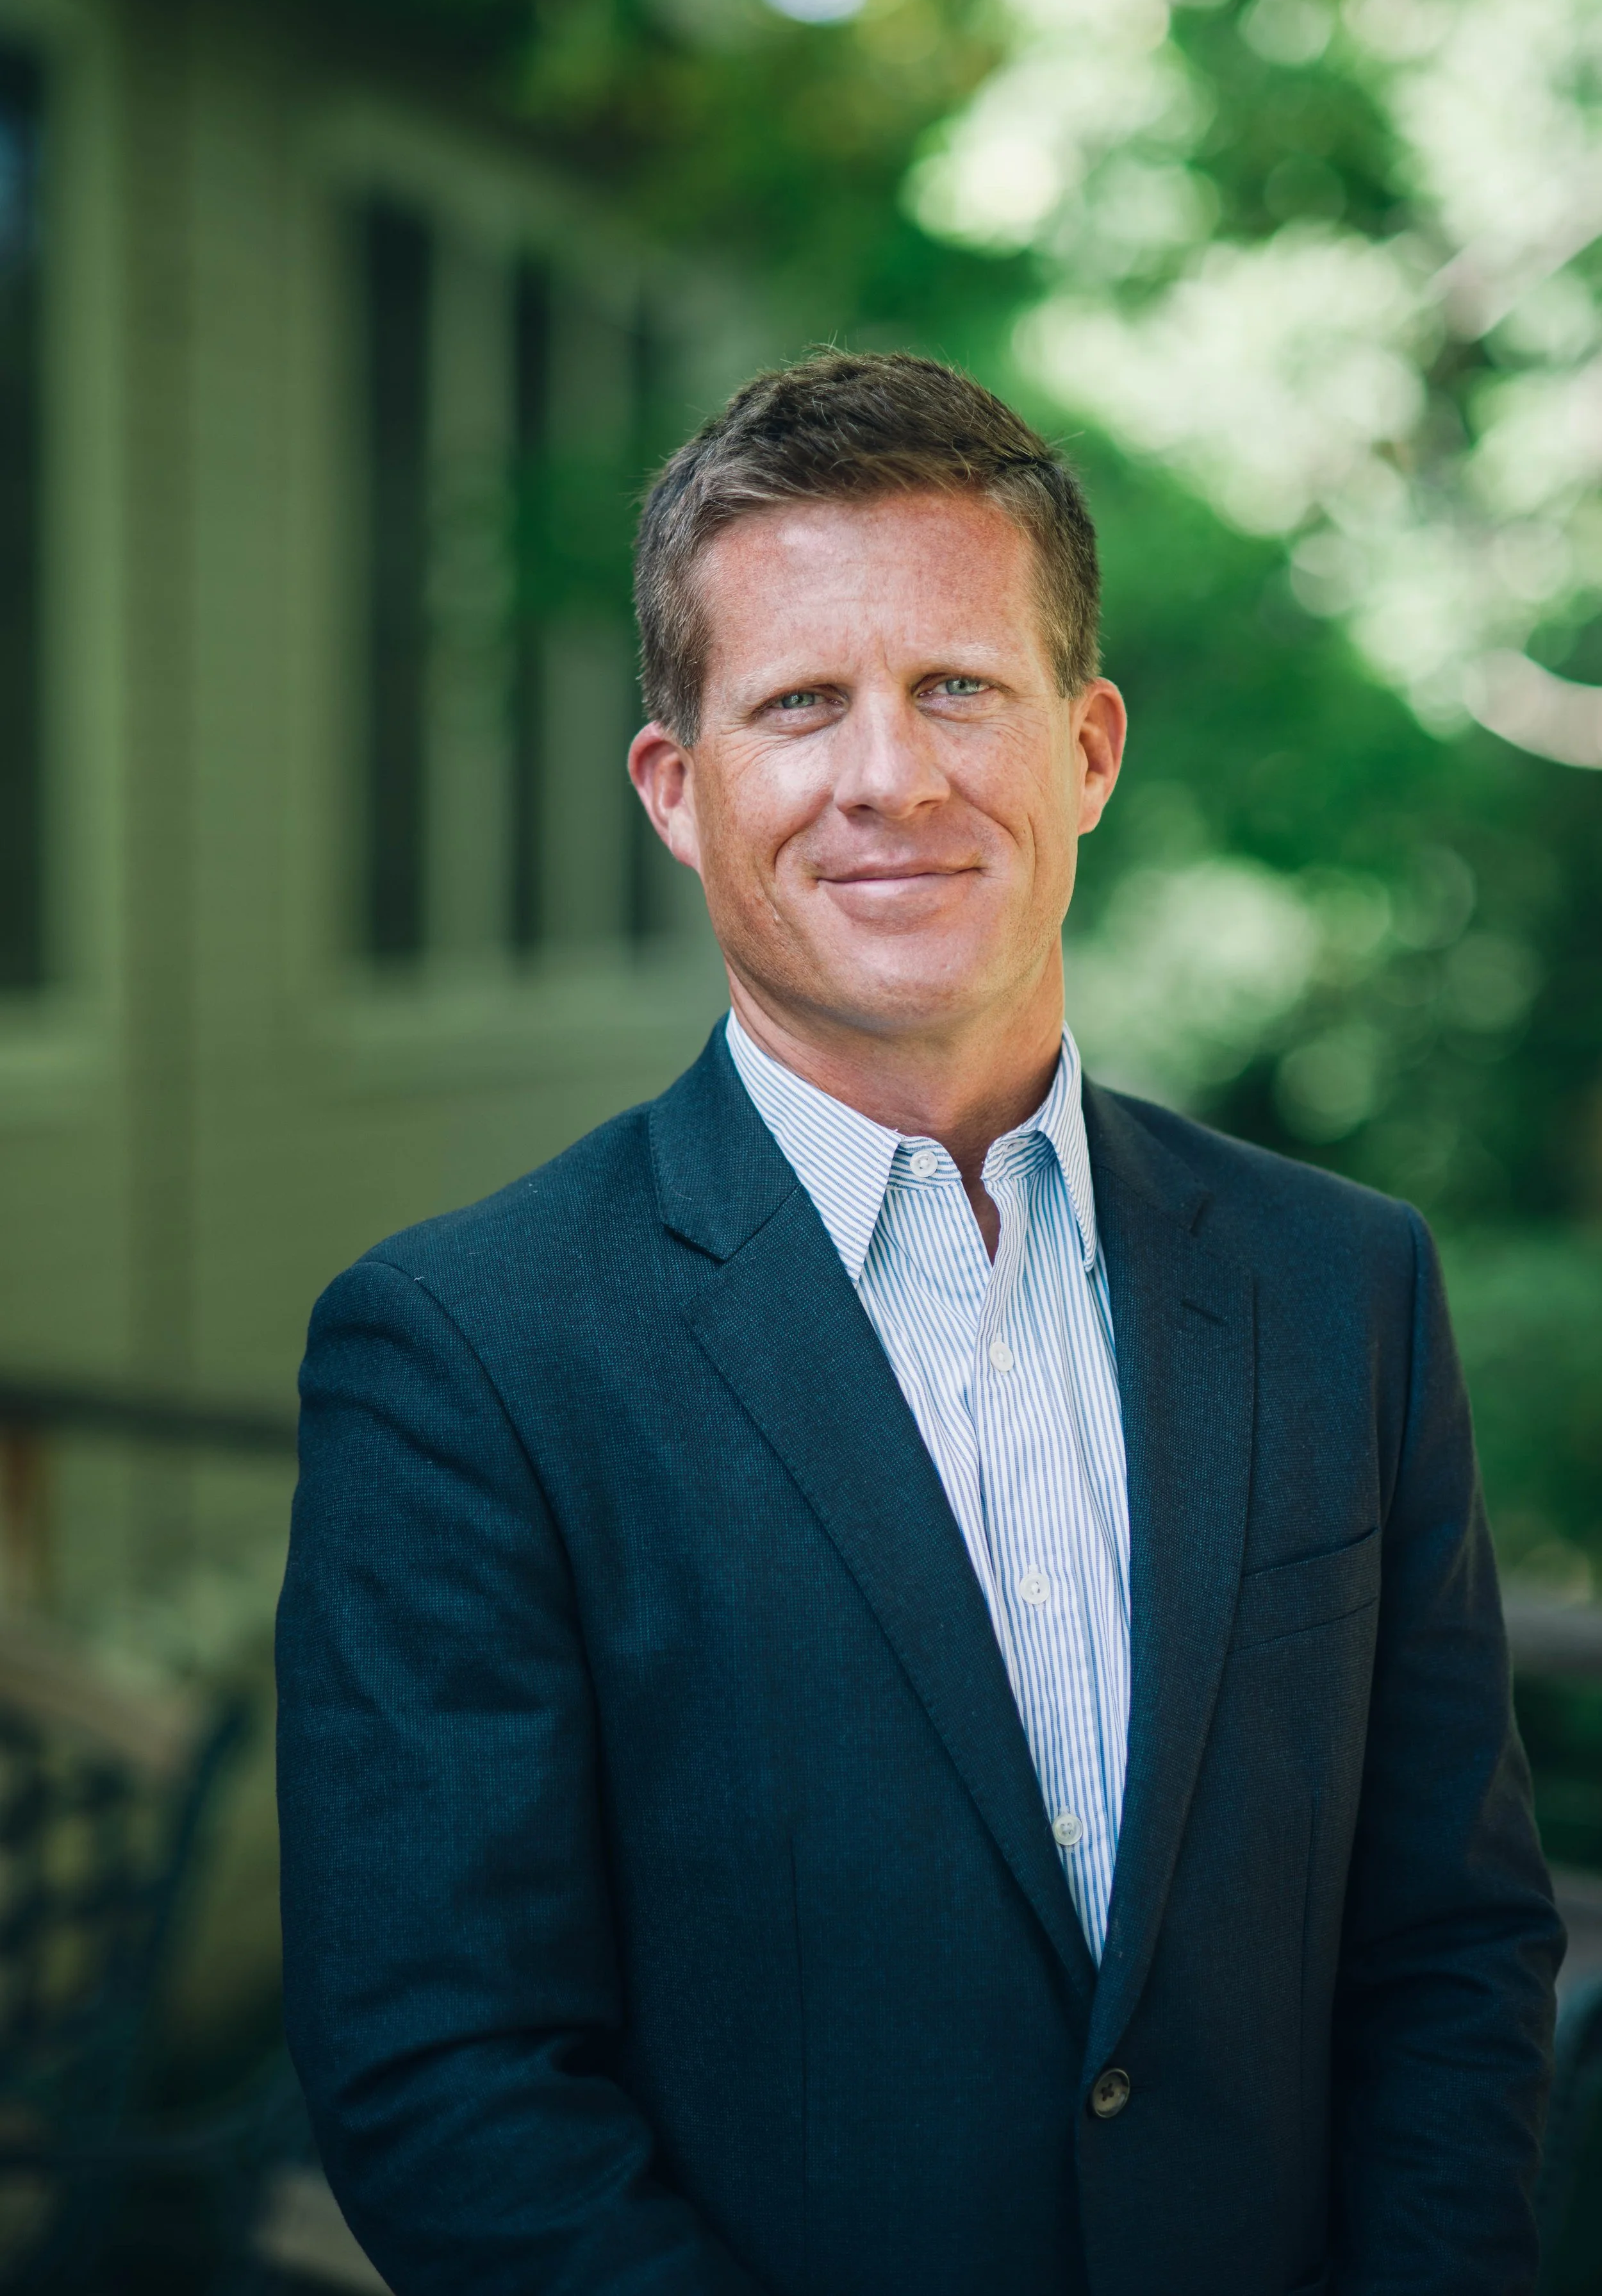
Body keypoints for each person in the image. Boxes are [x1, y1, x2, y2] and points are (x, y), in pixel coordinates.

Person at [276, 351, 1562, 2296]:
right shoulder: (470, 1356)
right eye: (800, 705)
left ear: (1091, 749)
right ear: (678, 791)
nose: (892, 775)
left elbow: (1449, 1950)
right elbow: (446, 2080)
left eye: (960, 686)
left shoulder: (1338, 1288)